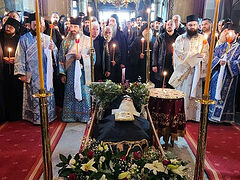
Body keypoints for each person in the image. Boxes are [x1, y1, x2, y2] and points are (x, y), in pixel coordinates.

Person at [14, 13, 57, 124]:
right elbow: (19, 56)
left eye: (40, 24)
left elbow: (56, 57)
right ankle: (34, 117)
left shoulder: (48, 39)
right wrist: (21, 73)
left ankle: (48, 116)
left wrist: (52, 51)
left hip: (45, 73)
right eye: (34, 24)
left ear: (43, 25)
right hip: (31, 73)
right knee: (33, 96)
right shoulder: (24, 39)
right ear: (30, 25)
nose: (37, 26)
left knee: (46, 94)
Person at [169, 15, 209, 121]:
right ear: (186, 25)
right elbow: (178, 54)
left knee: (195, 93)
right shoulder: (180, 39)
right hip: (185, 73)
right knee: (184, 93)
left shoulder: (202, 39)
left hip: (196, 71)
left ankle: (194, 116)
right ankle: (181, 114)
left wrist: (200, 59)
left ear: (197, 25)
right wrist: (194, 56)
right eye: (190, 25)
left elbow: (206, 54)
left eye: (194, 25)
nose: (192, 27)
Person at [58, 17, 91, 122]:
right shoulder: (65, 42)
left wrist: (81, 57)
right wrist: (62, 73)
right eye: (71, 26)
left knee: (83, 92)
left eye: (75, 27)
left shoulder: (87, 40)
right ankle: (70, 116)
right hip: (70, 73)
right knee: (70, 92)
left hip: (82, 73)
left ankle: (84, 116)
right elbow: (61, 59)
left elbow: (92, 57)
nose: (73, 29)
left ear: (80, 27)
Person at [209, 24, 240, 123]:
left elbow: (238, 63)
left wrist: (228, 63)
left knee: (227, 97)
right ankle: (212, 116)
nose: (228, 36)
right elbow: (213, 57)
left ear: (237, 34)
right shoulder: (221, 46)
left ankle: (225, 118)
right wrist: (219, 61)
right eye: (226, 34)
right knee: (214, 94)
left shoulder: (239, 48)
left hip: (229, 77)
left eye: (231, 34)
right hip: (217, 75)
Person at [0, 18, 22, 122]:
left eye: (10, 27)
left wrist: (16, 59)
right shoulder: (1, 38)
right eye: (6, 26)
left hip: (16, 70)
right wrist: (3, 59)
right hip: (3, 70)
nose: (7, 28)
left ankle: (17, 115)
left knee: (16, 92)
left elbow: (23, 54)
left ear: (16, 29)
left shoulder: (20, 39)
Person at [152, 20, 179, 88]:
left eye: (171, 24)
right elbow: (155, 51)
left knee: (171, 84)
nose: (169, 26)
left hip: (173, 65)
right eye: (168, 24)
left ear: (175, 26)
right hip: (162, 64)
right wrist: (154, 64)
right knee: (159, 84)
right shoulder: (161, 37)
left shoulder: (179, 38)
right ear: (165, 26)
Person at [107, 14, 128, 83]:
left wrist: (123, 62)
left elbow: (124, 49)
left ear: (116, 23)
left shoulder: (121, 35)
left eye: (113, 21)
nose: (111, 23)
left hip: (118, 62)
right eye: (110, 20)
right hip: (108, 62)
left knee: (117, 80)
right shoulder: (105, 34)